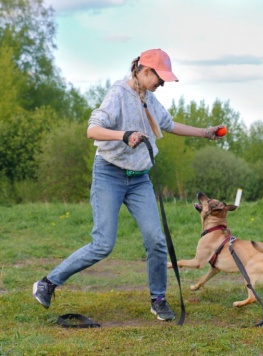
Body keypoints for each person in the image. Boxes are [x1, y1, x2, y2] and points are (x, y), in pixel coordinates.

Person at [33, 48, 223, 321]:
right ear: (146, 71)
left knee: (156, 240)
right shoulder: (118, 93)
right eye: (160, 78)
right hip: (109, 174)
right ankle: (48, 283)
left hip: (139, 179)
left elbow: (169, 125)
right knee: (103, 244)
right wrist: (124, 135)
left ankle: (158, 299)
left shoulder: (150, 99)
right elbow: (93, 129)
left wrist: (205, 133)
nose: (163, 83)